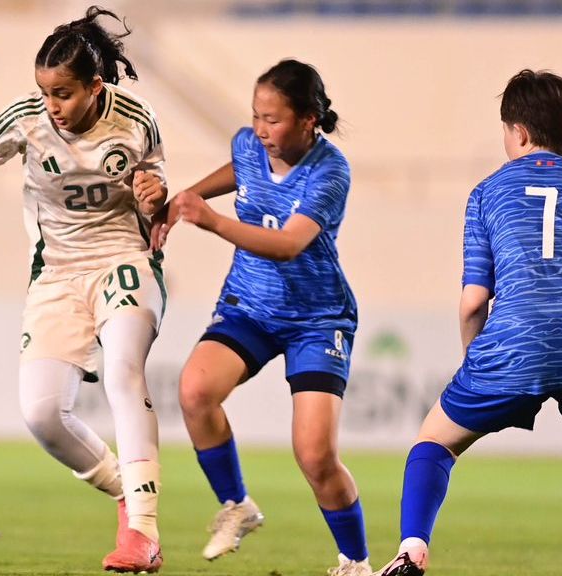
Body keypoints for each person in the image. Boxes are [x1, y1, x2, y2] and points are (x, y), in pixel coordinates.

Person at [374, 69, 562, 576]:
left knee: (433, 442)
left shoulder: (487, 193)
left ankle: (412, 549)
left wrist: (477, 360)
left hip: (513, 343)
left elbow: (472, 301)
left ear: (519, 133)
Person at [0, 7, 167, 573]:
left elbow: (154, 202)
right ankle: (127, 497)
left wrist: (153, 196)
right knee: (41, 414)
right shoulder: (25, 120)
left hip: (123, 261)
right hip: (56, 272)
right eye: (44, 91)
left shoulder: (136, 120)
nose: (51, 105)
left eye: (62, 93)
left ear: (94, 87)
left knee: (123, 373)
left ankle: (143, 533)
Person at [154, 59, 371, 576]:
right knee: (194, 391)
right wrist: (187, 197)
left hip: (317, 318)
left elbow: (289, 244)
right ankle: (237, 506)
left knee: (315, 455)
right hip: (250, 306)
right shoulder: (250, 145)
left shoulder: (329, 170)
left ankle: (356, 562)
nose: (261, 129)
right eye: (256, 115)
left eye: (273, 119)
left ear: (309, 119)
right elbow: (241, 167)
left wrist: (211, 221)